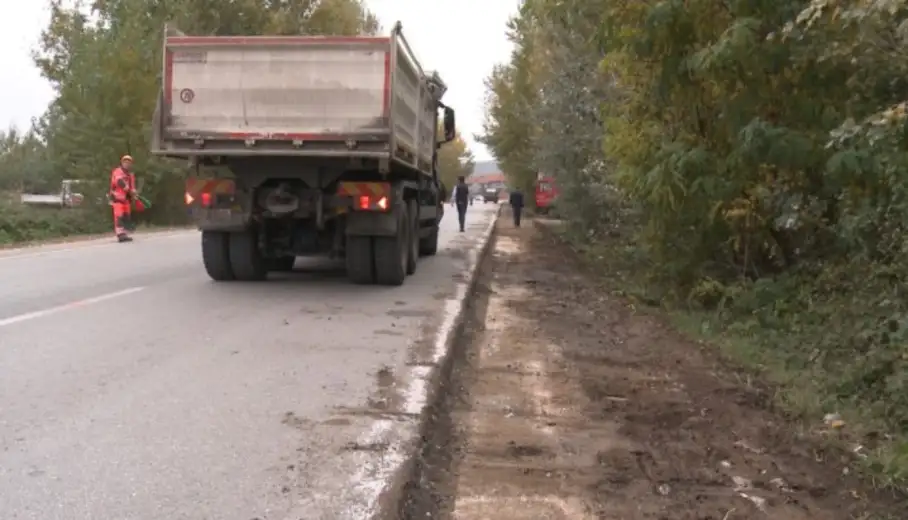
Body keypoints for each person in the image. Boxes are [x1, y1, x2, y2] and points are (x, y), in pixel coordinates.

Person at [110, 154, 137, 242]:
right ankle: (120, 234)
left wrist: (134, 193)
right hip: (117, 198)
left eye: (129, 162)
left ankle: (124, 234)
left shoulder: (130, 175)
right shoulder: (117, 171)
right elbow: (119, 182)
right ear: (122, 163)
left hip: (126, 199)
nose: (127, 164)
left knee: (126, 216)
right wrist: (128, 189)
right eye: (125, 162)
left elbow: (132, 186)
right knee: (119, 216)